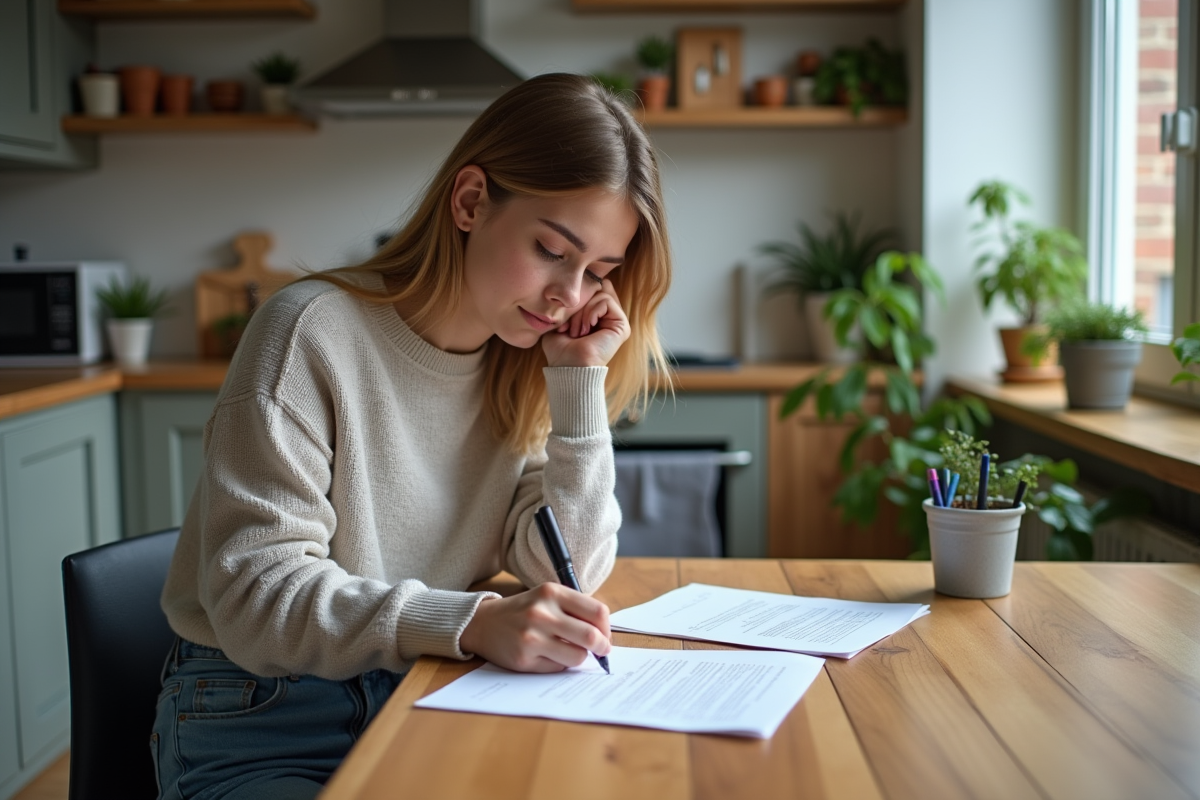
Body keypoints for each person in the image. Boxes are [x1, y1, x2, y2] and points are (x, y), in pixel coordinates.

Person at [150, 73, 673, 800]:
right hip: (266, 711)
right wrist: (471, 622)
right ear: (470, 202)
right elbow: (256, 598)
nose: (570, 297)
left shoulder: (519, 361)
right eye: (554, 250)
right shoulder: (309, 332)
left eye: (599, 273)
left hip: (423, 687)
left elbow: (565, 571)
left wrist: (580, 386)